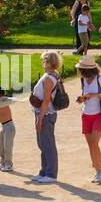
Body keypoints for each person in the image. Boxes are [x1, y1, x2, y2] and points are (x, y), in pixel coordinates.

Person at [73, 55, 101, 184]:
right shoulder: (83, 80)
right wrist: (81, 98)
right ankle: (97, 170)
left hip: (98, 115)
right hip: (86, 115)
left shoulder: (100, 79)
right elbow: (85, 95)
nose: (79, 71)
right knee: (91, 145)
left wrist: (95, 95)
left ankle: (99, 173)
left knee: (94, 144)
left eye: (81, 69)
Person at [30, 50, 62, 182]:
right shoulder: (50, 75)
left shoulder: (49, 78)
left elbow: (46, 100)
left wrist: (40, 118)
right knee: (42, 144)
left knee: (47, 144)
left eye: (45, 60)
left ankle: (51, 174)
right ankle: (44, 172)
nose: (43, 62)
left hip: (46, 114)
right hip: (42, 113)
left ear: (50, 63)